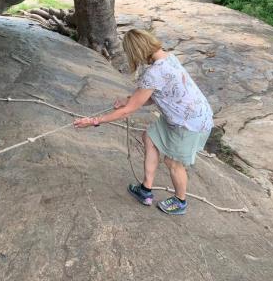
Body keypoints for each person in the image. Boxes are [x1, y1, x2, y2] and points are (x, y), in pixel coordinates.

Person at [74, 29, 213, 215]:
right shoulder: (168, 58)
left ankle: (180, 202)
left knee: (173, 162)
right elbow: (155, 94)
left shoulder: (154, 73)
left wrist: (94, 121)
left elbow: (129, 110)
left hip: (188, 124)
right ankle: (145, 190)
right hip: (191, 115)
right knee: (150, 137)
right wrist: (129, 99)